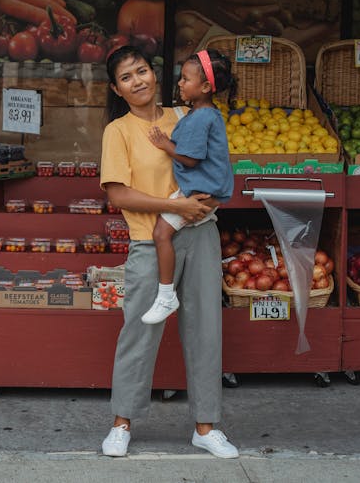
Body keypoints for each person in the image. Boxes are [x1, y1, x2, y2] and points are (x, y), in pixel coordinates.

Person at [99, 45, 238, 458]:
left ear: (154, 74)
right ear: (116, 88)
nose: (137, 80)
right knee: (139, 331)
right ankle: (122, 422)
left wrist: (205, 204)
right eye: (126, 77)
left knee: (206, 332)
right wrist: (175, 207)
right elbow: (118, 193)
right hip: (148, 240)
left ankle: (206, 426)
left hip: (201, 235)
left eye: (141, 70)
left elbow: (215, 167)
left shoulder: (188, 115)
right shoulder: (118, 131)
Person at [140, 49, 235, 325]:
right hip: (208, 190)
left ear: (205, 87)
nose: (180, 83)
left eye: (185, 79)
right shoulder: (207, 114)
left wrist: (164, 144)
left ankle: (166, 295)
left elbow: (191, 159)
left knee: (161, 233)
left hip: (200, 191)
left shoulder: (201, 117)